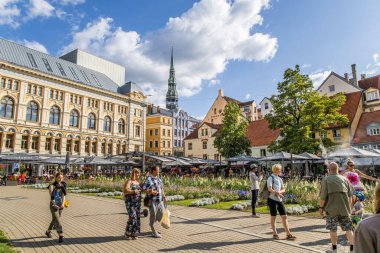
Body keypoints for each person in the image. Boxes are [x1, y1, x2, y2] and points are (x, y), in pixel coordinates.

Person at [320, 162, 355, 253]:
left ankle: (334, 250)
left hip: (331, 210)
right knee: (348, 229)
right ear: (338, 169)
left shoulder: (326, 180)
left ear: (328, 169)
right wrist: (349, 208)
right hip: (345, 210)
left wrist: (321, 208)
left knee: (333, 229)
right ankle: (352, 249)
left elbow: (323, 197)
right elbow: (351, 196)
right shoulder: (345, 179)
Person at [267, 164, 296, 240]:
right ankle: (275, 233)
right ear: (276, 170)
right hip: (272, 200)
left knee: (284, 216)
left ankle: (288, 233)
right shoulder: (271, 178)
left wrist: (280, 192)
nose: (281, 170)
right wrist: (278, 193)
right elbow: (269, 189)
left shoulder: (280, 179)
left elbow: (284, 189)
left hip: (279, 200)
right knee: (273, 216)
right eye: (279, 169)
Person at [354, 183, 380, 253]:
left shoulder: (366, 227)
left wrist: (357, 212)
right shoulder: (356, 203)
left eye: (355, 196)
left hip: (359, 216)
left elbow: (362, 209)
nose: (354, 197)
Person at [142, 166, 167, 238]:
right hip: (152, 200)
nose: (159, 171)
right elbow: (143, 189)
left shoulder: (159, 179)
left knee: (161, 213)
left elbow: (161, 189)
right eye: (157, 170)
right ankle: (153, 231)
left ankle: (152, 223)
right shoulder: (149, 179)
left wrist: (164, 197)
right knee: (153, 215)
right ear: (153, 171)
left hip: (160, 200)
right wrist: (151, 192)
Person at [46, 172, 66, 243]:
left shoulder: (63, 185)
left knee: (55, 219)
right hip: (53, 205)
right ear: (56, 177)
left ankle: (48, 231)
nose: (60, 179)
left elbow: (64, 195)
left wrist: (63, 204)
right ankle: (60, 235)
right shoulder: (52, 186)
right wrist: (54, 204)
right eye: (58, 177)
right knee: (57, 220)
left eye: (61, 177)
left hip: (60, 205)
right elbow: (52, 196)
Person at [123, 168, 142, 239]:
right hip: (130, 202)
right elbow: (125, 190)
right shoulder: (129, 181)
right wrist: (134, 191)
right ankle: (127, 232)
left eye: (139, 173)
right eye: (137, 173)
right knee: (132, 217)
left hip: (137, 202)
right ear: (133, 173)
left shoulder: (138, 182)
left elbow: (142, 190)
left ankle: (133, 233)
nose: (138, 174)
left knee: (136, 217)